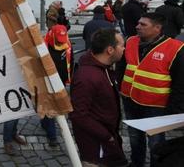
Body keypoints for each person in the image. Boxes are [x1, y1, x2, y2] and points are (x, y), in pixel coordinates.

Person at [117, 12, 184, 167]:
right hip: (130, 100)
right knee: (134, 137)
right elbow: (122, 66)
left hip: (156, 105)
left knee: (155, 141)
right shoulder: (130, 41)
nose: (137, 26)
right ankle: (136, 163)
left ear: (157, 28)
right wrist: (121, 86)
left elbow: (180, 82)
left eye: (143, 25)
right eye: (138, 23)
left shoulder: (175, 48)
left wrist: (174, 108)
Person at [70, 28, 128, 167]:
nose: (124, 48)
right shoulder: (87, 76)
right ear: (110, 50)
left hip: (108, 139)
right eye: (121, 45)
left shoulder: (104, 69)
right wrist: (106, 136)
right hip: (97, 146)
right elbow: (79, 115)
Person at [42, 24, 74, 148]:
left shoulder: (68, 45)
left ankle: (45, 122)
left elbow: (71, 63)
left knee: (50, 107)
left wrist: (69, 80)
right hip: (47, 82)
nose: (61, 44)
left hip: (60, 82)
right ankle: (52, 136)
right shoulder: (44, 47)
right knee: (52, 108)